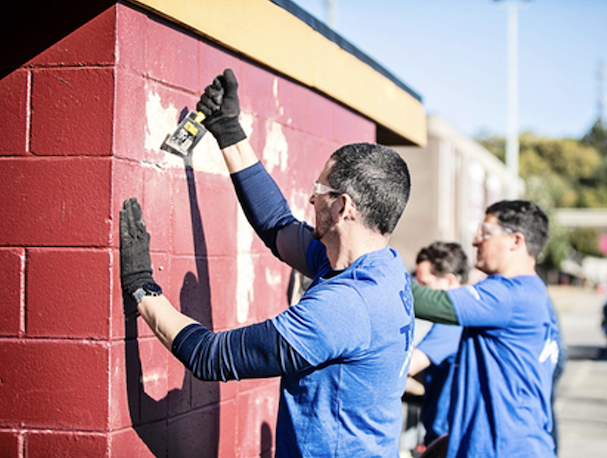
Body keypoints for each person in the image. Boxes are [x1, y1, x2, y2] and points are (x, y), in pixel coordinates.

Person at [119, 68, 414, 457]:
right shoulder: (379, 268)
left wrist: (143, 286)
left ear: (343, 207)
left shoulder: (343, 308)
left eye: (318, 190)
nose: (310, 200)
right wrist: (228, 131)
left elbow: (211, 357)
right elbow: (278, 228)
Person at [411, 200, 560, 458]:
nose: (476, 241)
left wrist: (373, 261)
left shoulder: (509, 295)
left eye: (486, 232)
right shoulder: (535, 294)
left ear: (516, 241)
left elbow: (429, 302)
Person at [407, 242, 468, 449]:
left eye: (424, 285)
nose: (420, 295)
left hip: (445, 439)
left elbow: (408, 365)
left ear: (450, 282)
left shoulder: (452, 324)